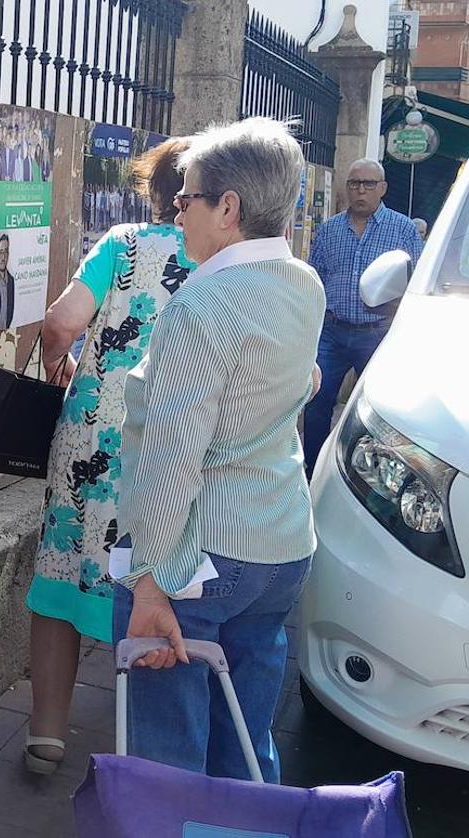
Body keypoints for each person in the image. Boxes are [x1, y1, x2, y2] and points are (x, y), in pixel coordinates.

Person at [113, 117, 325, 785]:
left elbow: (173, 457)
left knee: (166, 758)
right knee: (245, 740)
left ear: (227, 209)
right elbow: (302, 382)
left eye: (186, 198)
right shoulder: (303, 285)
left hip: (200, 557)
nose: (178, 213)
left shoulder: (201, 306)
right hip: (281, 546)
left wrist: (151, 580)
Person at [24, 138, 196, 774]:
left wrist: (57, 365)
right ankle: (146, 752)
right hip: (171, 448)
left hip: (91, 436)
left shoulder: (123, 244)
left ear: (154, 193)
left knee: (64, 570)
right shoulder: (218, 258)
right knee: (156, 581)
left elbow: (62, 321)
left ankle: (46, 734)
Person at [301, 158, 423, 475]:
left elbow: (415, 282)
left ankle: (370, 474)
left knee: (379, 407)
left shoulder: (403, 229)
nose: (361, 191)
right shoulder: (329, 231)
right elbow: (316, 278)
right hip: (333, 332)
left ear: (382, 188)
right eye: (355, 183)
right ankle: (314, 469)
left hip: (378, 332)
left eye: (369, 184)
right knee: (316, 401)